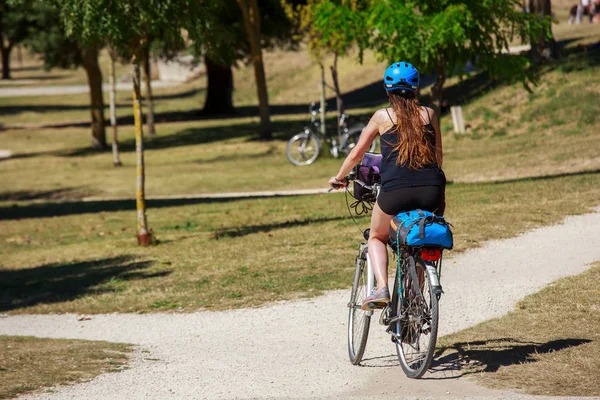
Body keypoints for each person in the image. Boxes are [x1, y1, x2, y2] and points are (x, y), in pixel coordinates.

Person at [328, 62, 446, 310]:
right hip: (433, 191)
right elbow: (438, 156)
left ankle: (381, 287)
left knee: (377, 237)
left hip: (396, 192)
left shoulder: (383, 116)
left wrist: (339, 177)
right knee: (421, 239)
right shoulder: (430, 114)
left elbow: (357, 154)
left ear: (387, 90)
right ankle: (415, 300)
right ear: (416, 88)